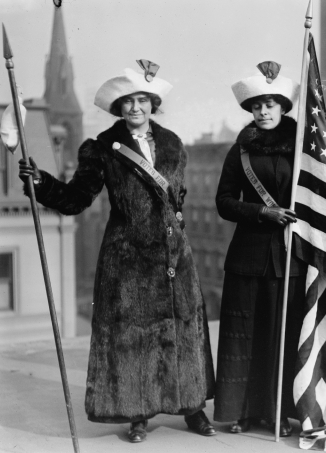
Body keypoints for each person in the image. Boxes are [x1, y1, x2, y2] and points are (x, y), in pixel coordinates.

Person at [18, 63, 216, 443]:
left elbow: (177, 198)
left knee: (184, 331)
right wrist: (41, 182)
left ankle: (193, 407)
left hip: (175, 257)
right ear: (118, 106)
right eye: (128, 101)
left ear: (152, 103)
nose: (135, 107)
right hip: (128, 258)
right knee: (131, 337)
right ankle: (136, 413)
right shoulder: (101, 148)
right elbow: (77, 199)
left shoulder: (174, 143)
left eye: (142, 100)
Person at [214, 61, 302, 437]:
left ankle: (278, 411)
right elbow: (223, 202)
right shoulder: (241, 151)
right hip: (248, 256)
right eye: (256, 106)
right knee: (244, 334)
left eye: (270, 104)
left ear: (283, 108)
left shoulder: (303, 149)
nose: (263, 112)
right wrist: (262, 211)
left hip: (290, 256)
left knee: (280, 335)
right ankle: (240, 411)